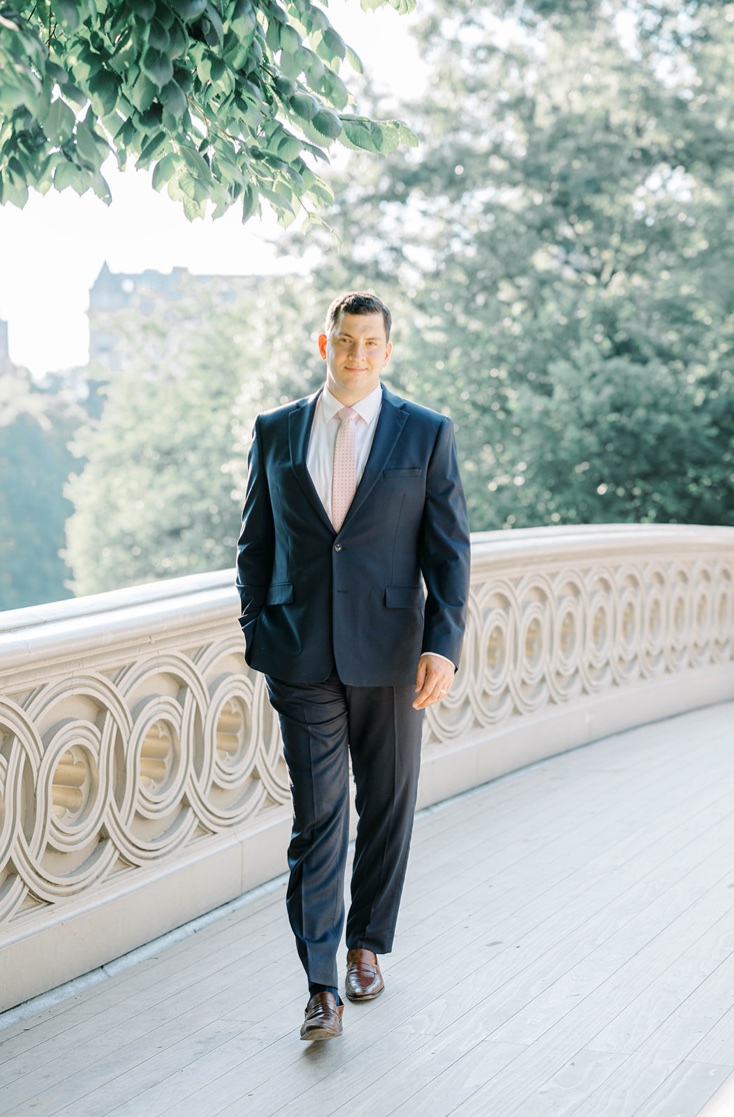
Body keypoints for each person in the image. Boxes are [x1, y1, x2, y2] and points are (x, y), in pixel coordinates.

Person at [236, 291, 470, 1041]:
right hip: (300, 655)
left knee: (389, 802)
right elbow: (253, 543)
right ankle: (319, 983)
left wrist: (443, 643)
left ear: (387, 351)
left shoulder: (426, 433)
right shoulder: (275, 430)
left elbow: (450, 548)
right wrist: (257, 630)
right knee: (318, 819)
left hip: (395, 653)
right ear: (322, 343)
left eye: (371, 345)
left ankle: (367, 941)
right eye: (345, 342)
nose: (357, 356)